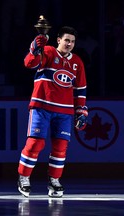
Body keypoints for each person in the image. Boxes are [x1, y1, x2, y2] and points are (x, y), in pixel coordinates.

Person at [17, 26, 88, 198]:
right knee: (35, 144)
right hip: (41, 106)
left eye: (72, 41)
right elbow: (29, 63)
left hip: (64, 111)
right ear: (58, 40)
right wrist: (35, 47)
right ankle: (24, 177)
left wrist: (81, 111)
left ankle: (54, 181)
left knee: (60, 147)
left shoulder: (77, 62)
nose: (69, 44)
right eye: (66, 40)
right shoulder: (48, 52)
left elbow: (80, 89)